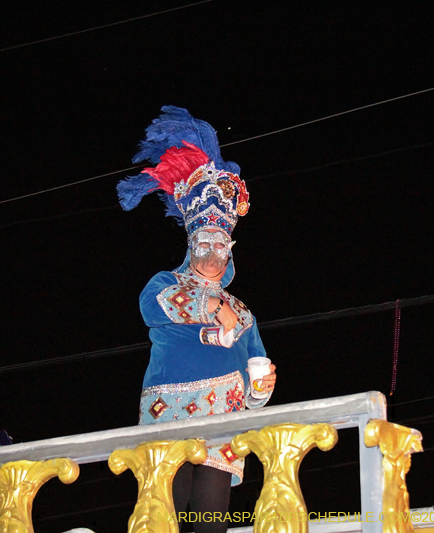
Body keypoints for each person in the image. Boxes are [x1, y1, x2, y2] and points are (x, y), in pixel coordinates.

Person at [118, 106, 276, 533]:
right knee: (162, 515)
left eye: (221, 242)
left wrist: (260, 390)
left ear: (230, 248)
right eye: (204, 240)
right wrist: (208, 307)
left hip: (224, 421)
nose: (213, 249)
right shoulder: (165, 281)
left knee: (209, 522)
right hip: (167, 410)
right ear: (191, 242)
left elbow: (255, 364)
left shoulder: (243, 311)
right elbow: (154, 307)